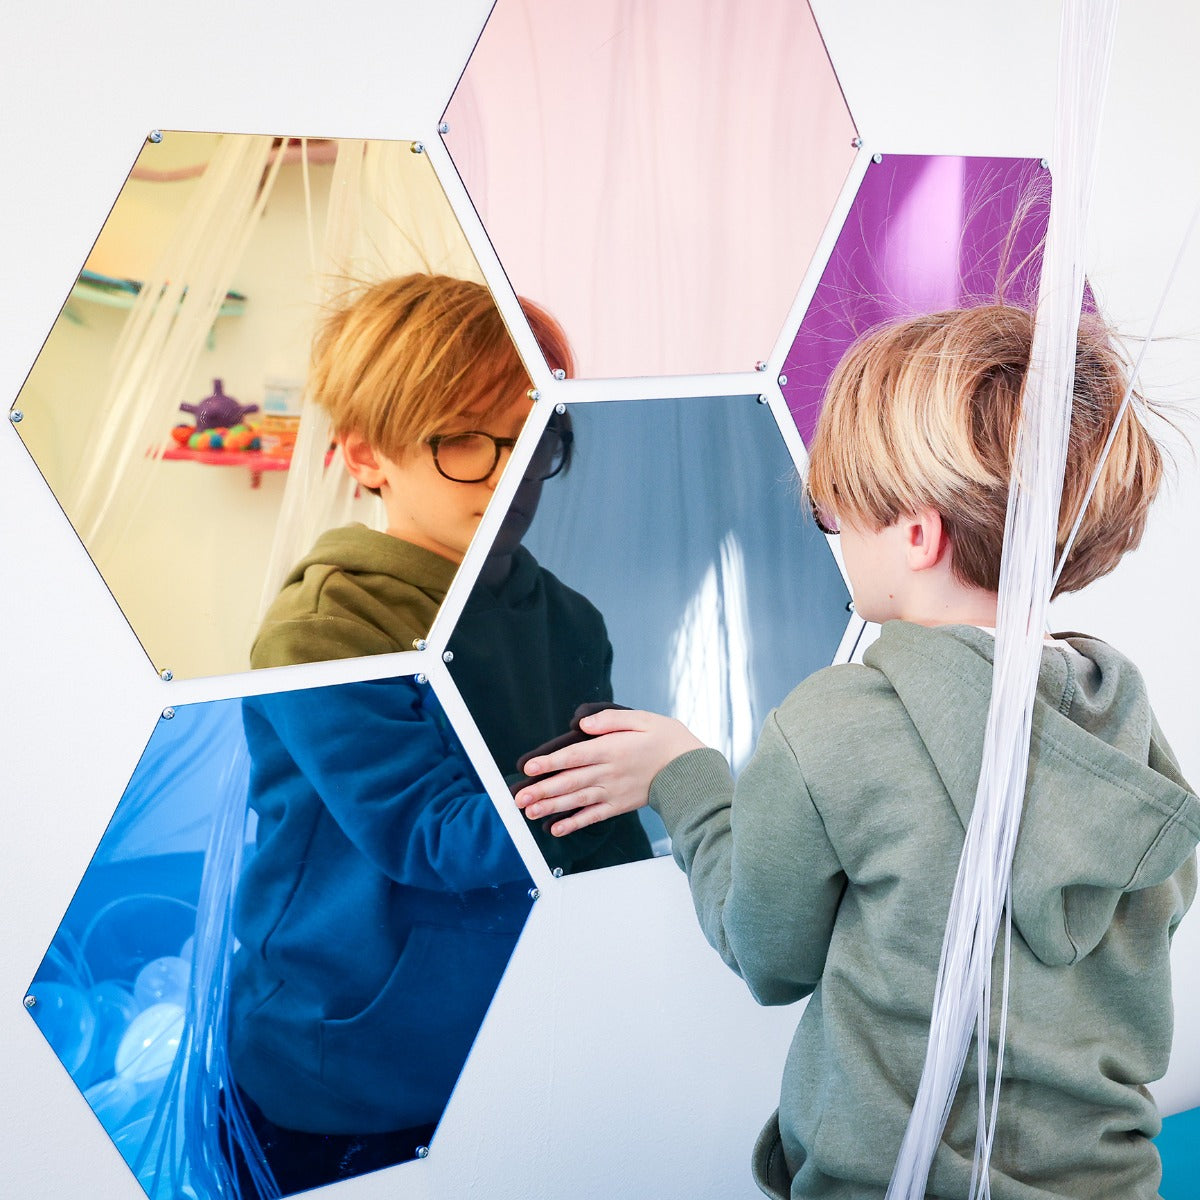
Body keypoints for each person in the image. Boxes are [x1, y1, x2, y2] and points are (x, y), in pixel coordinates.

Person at [514, 305, 1200, 1199]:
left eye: (839, 511)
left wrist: (685, 778)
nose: (830, 523)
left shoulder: (837, 725)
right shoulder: (1124, 715)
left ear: (917, 533)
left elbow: (767, 954)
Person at [228, 274, 644, 1195]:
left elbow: (609, 851)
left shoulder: (569, 619)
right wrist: (642, 777)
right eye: (463, 440)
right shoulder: (325, 626)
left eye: (538, 439)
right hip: (343, 1066)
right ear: (367, 455)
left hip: (513, 1039)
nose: (508, 473)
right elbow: (429, 834)